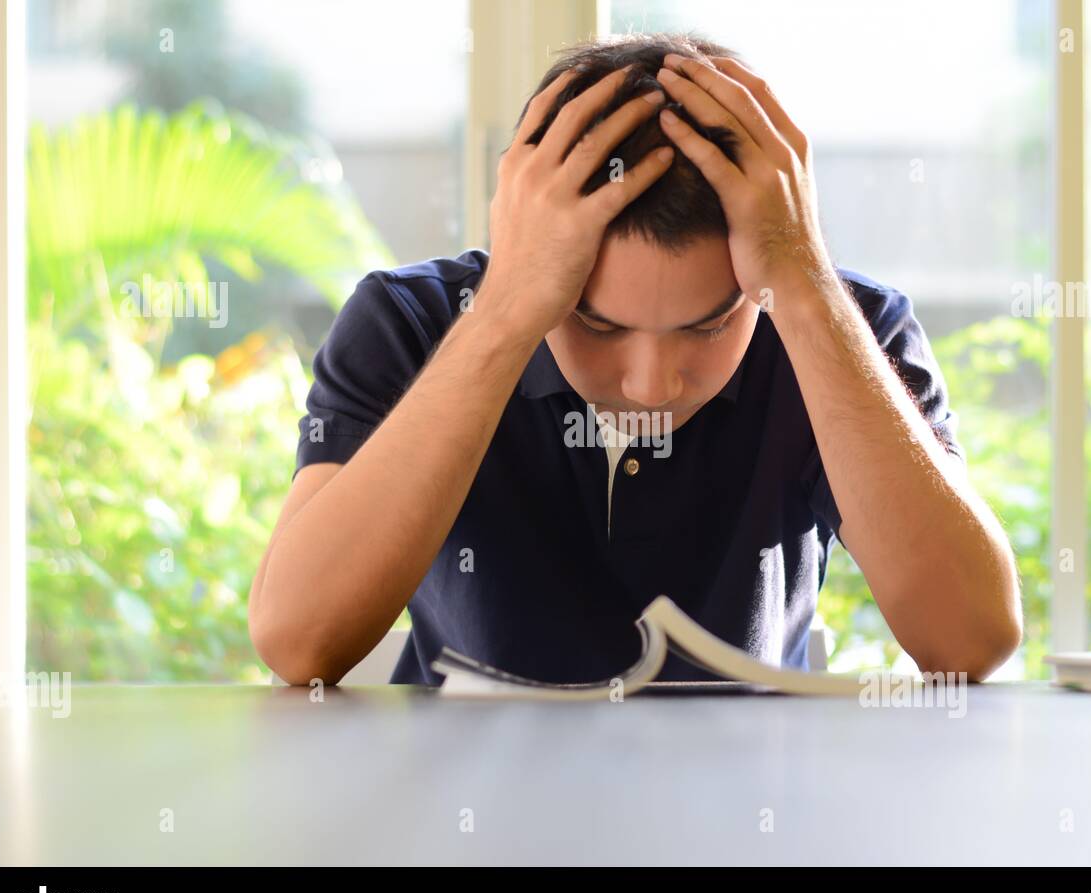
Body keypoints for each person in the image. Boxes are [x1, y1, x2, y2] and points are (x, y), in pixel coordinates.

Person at [247, 33, 1023, 686]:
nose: (652, 384)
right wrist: (508, 314)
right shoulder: (410, 325)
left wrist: (806, 289)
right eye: (595, 323)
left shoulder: (841, 326)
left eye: (710, 324)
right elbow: (298, 643)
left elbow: (970, 641)